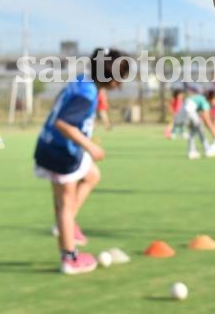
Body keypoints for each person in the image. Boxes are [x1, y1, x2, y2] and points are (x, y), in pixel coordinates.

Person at [34, 47, 127, 275]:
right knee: (64, 205)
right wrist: (90, 145)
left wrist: (84, 133)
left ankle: (67, 225)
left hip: (51, 146)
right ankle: (69, 257)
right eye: (120, 77)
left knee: (92, 175)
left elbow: (62, 107)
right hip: (60, 153)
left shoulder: (82, 81)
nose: (121, 84)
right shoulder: (87, 94)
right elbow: (63, 123)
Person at [174, 85, 215, 160]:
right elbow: (207, 120)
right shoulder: (205, 102)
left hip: (182, 113)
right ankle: (208, 149)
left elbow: (201, 115)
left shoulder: (199, 98)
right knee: (200, 130)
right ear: (212, 98)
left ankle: (192, 152)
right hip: (189, 111)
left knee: (192, 131)